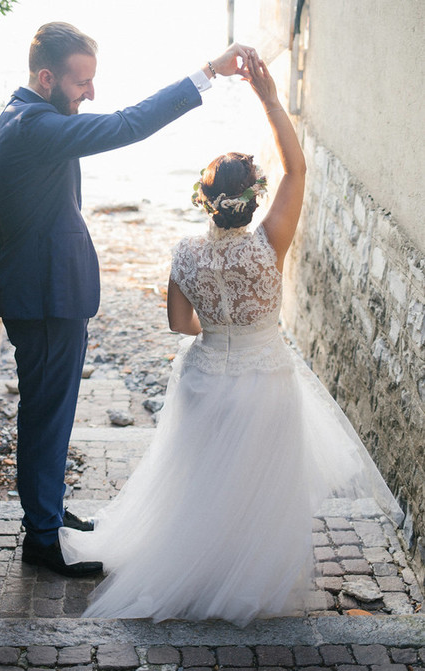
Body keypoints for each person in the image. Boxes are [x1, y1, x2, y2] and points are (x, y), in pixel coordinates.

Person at [59, 52, 403, 624]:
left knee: (203, 484)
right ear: (253, 199)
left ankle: (198, 569)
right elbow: (296, 170)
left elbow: (179, 324)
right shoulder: (270, 243)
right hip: (265, 377)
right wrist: (270, 98)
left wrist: (215, 332)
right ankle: (248, 579)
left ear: (206, 200)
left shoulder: (185, 254)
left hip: (204, 379)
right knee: (261, 488)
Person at [0, 21, 256, 577]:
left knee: (51, 411)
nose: (90, 94)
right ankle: (42, 537)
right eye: (81, 83)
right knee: (46, 415)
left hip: (45, 290)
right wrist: (208, 72)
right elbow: (128, 125)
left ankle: (46, 512)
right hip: (46, 297)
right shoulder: (35, 125)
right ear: (46, 78)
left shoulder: (23, 114)